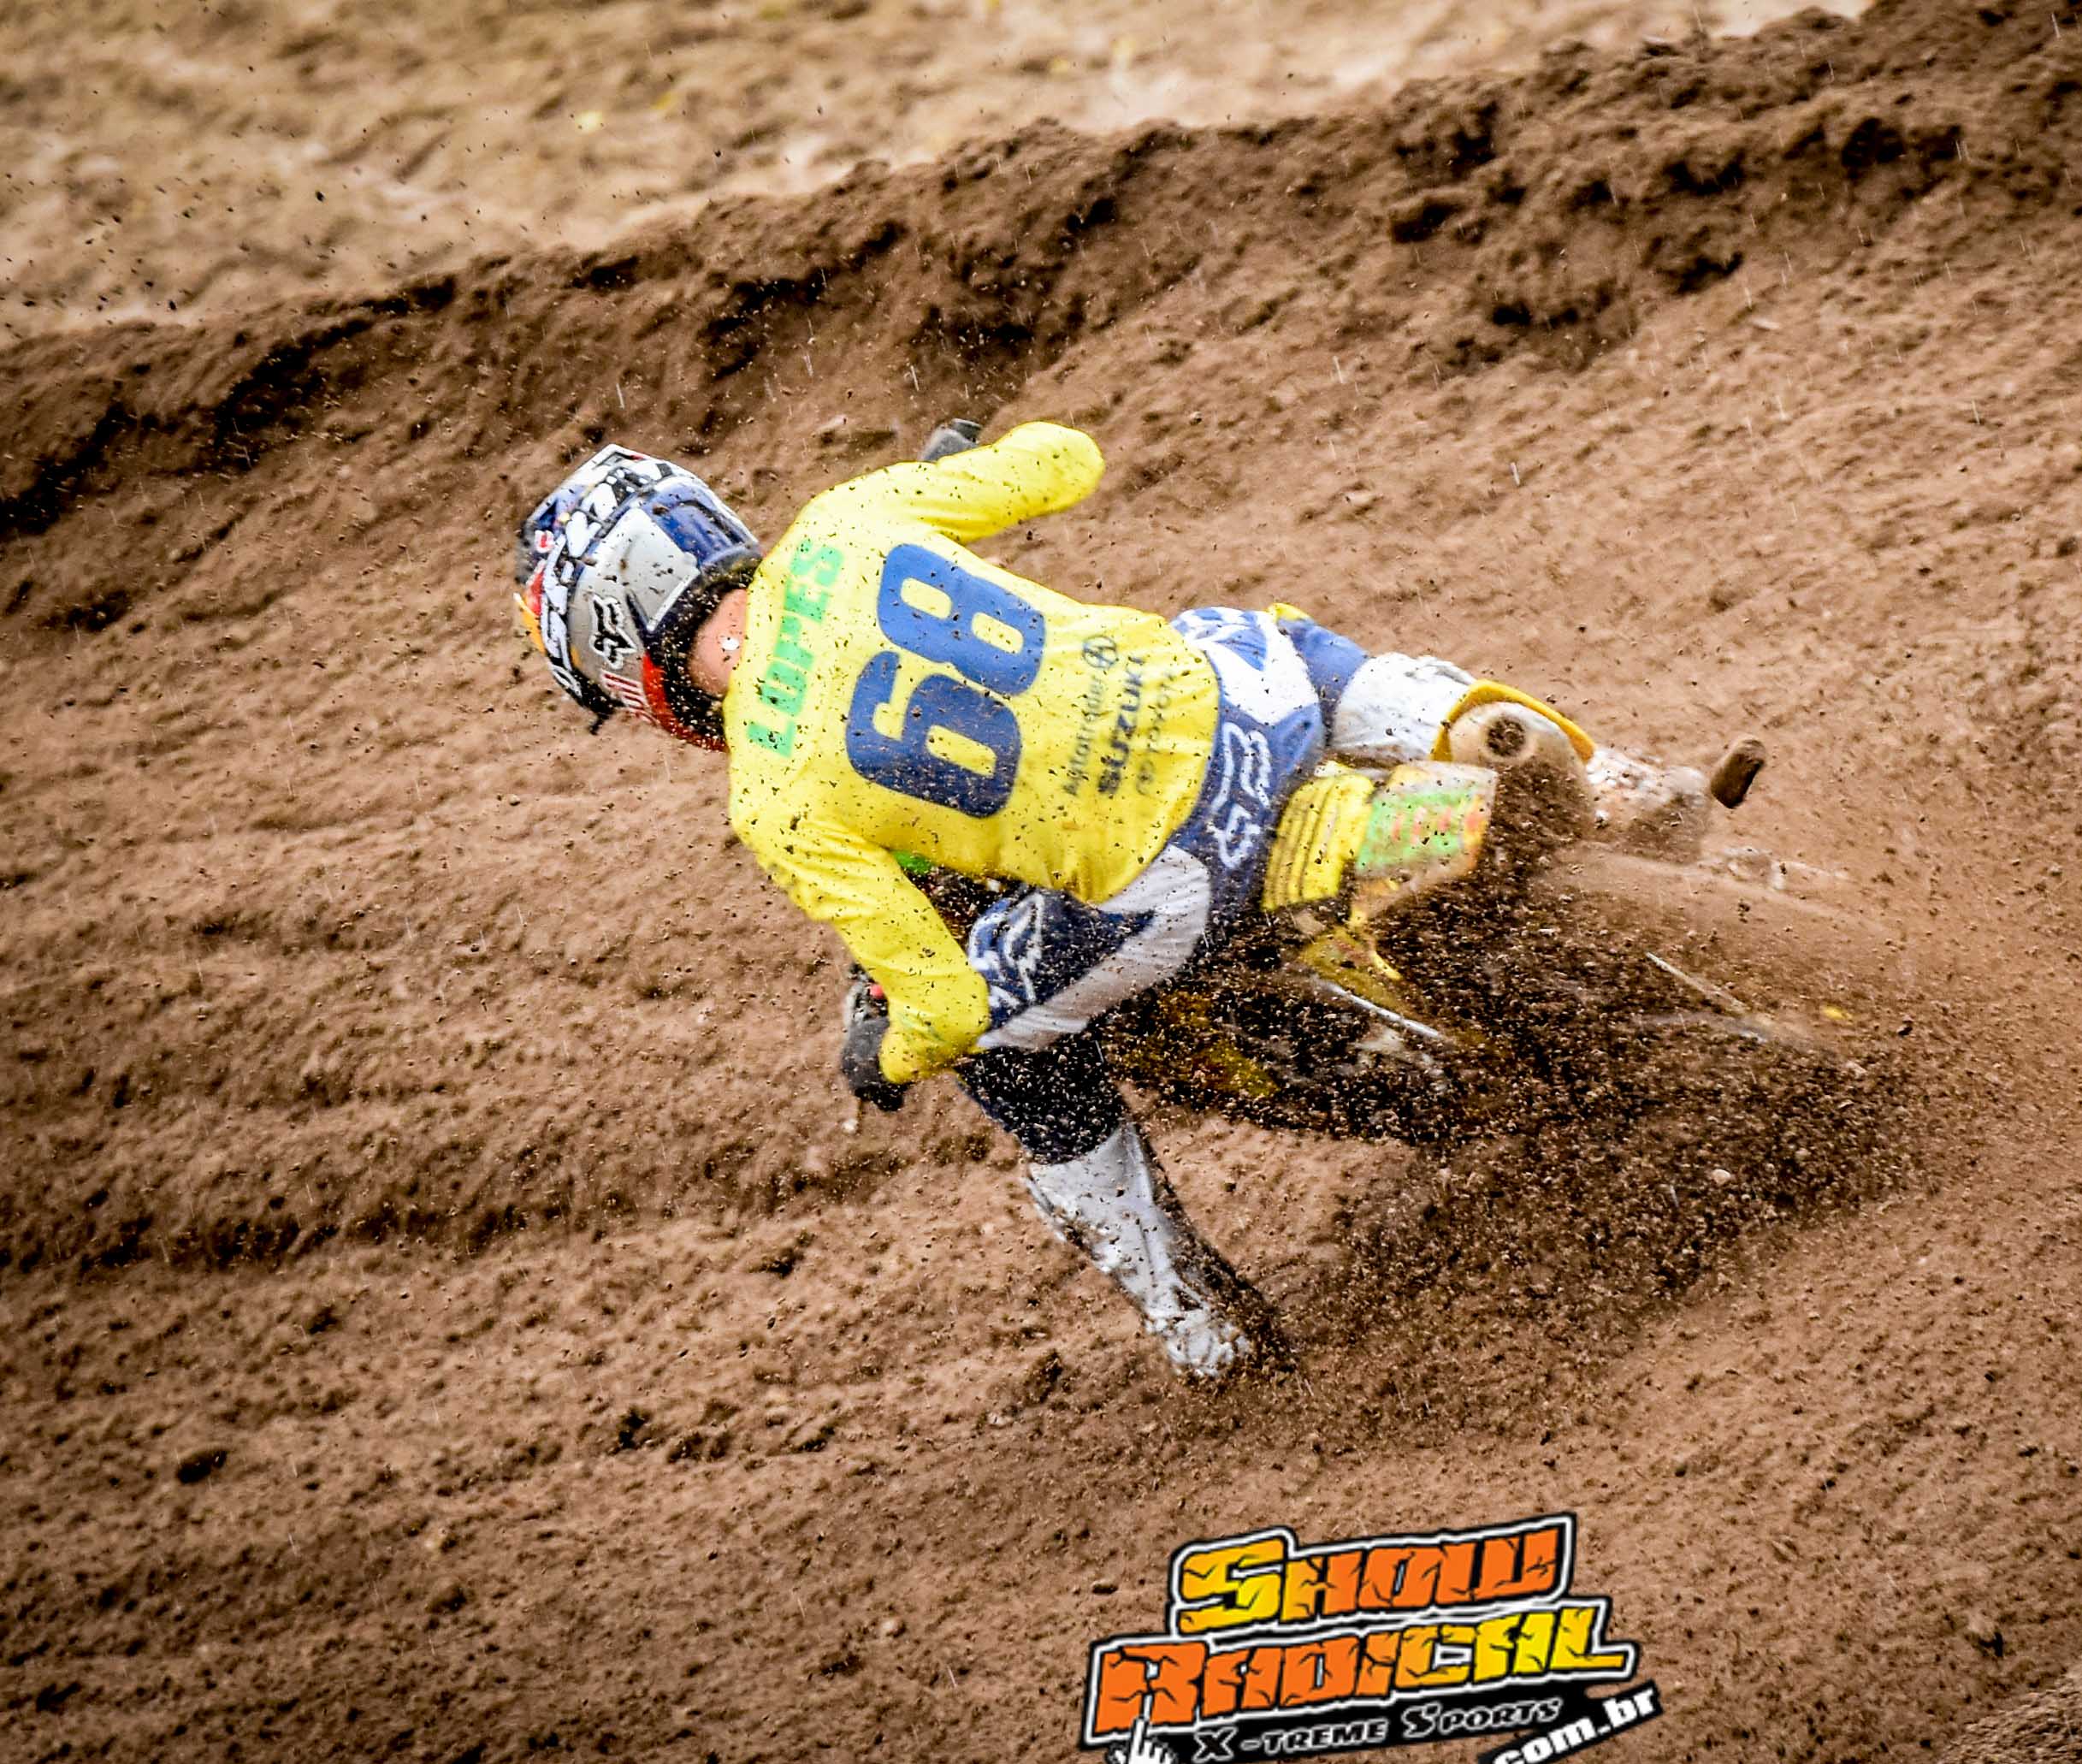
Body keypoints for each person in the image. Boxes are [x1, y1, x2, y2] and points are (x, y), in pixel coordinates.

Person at [514, 420, 1588, 1382]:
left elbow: (940, 1003)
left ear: (624, 663)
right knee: (1268, 638)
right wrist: (954, 478)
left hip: (1171, 881)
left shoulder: (772, 796)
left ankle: (1199, 1322)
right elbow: (1069, 460)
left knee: (997, 1044)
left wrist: (886, 1053)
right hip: (1243, 719)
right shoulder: (848, 522)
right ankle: (1566, 764)